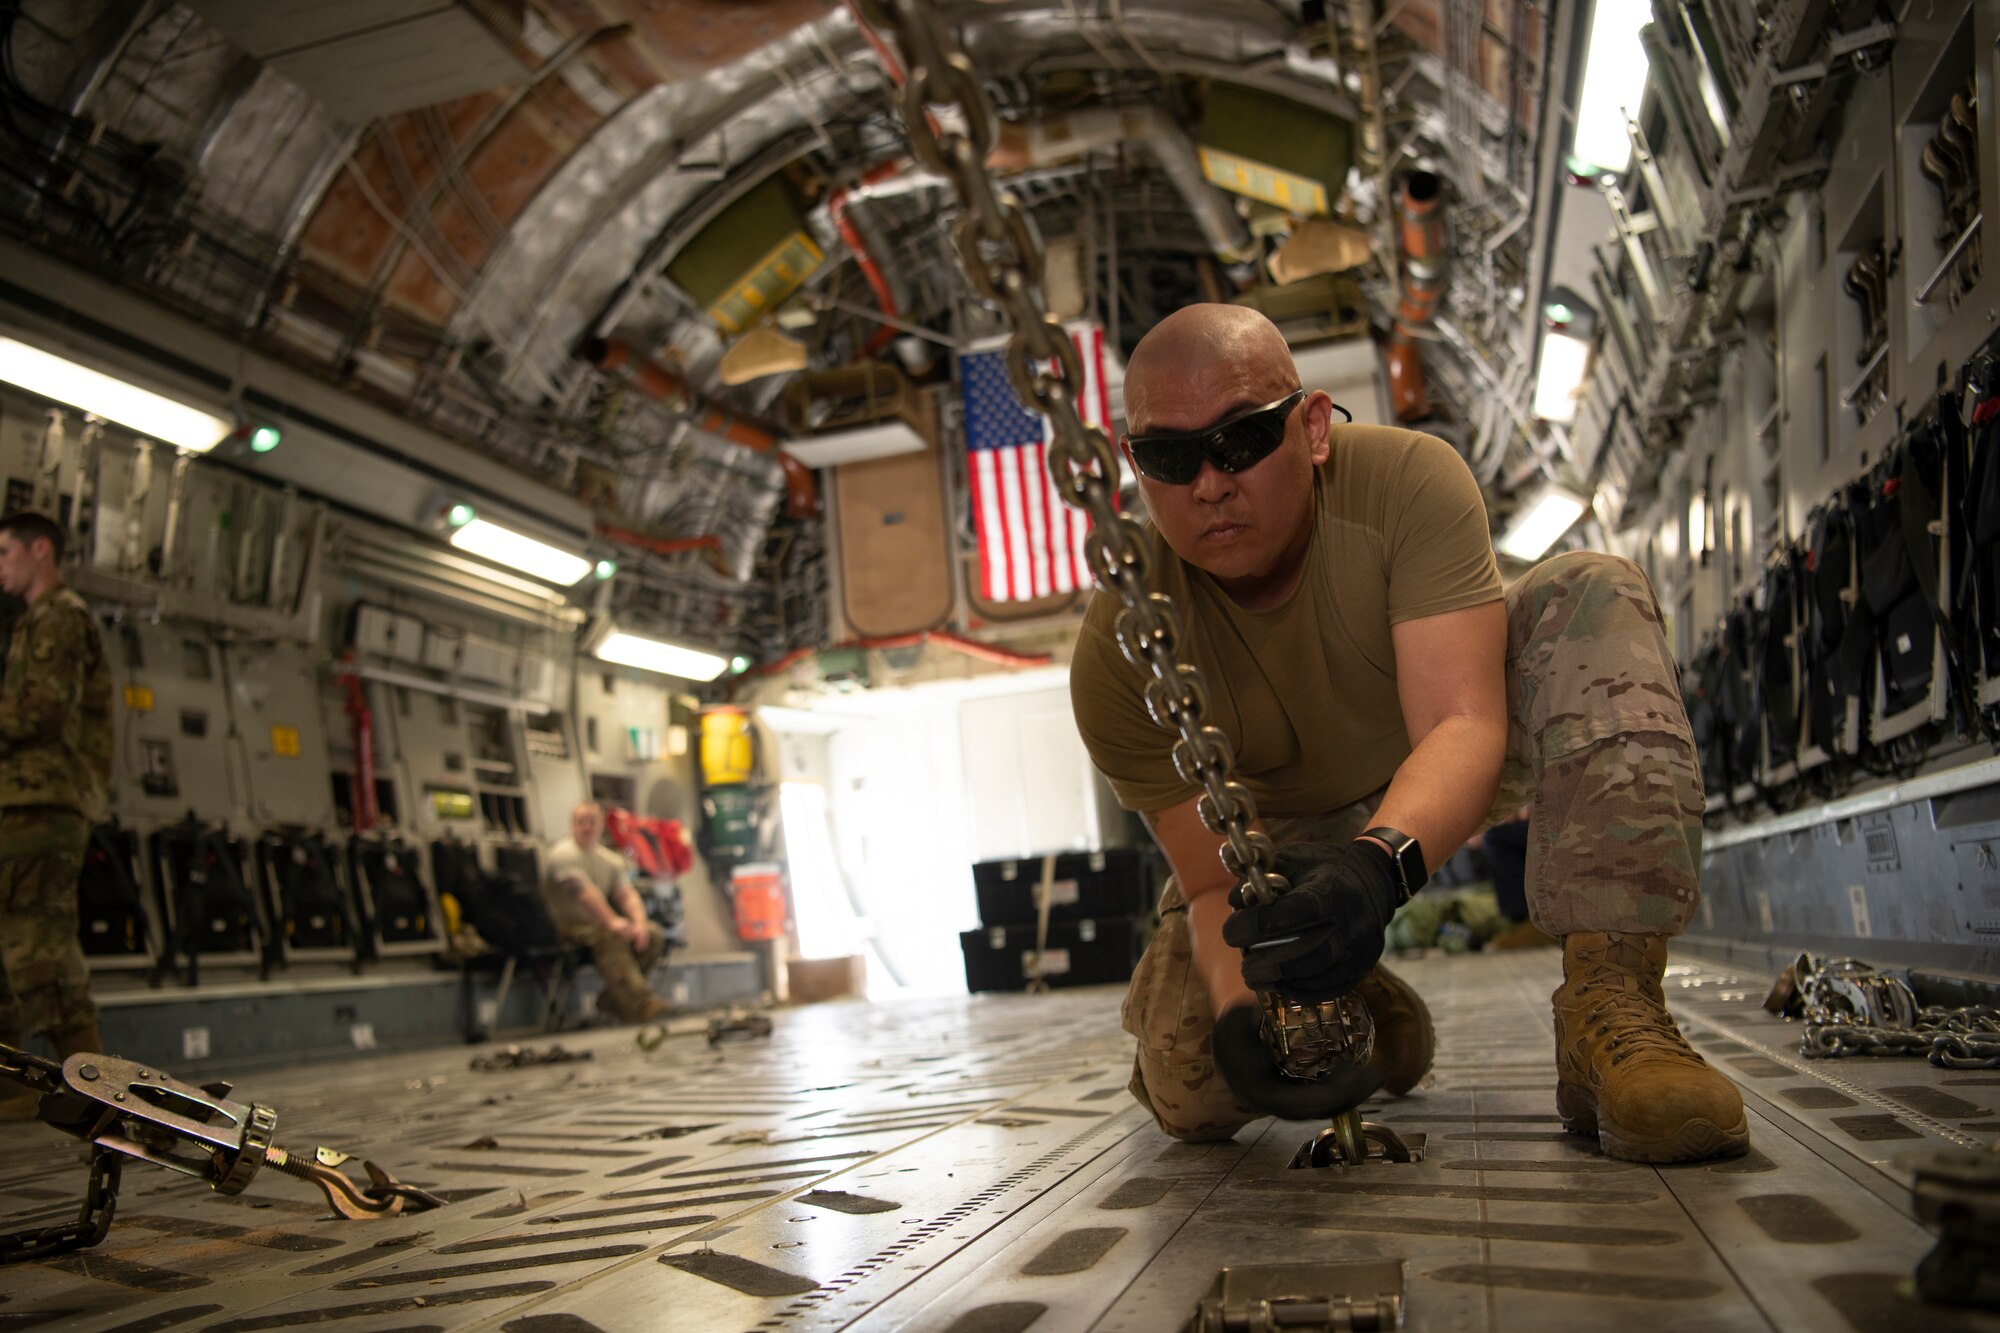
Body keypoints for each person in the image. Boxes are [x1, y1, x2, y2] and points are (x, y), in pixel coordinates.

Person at [1069, 305, 1745, 1164]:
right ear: (1134, 464)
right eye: (1170, 456)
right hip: (1282, 841)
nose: (1208, 484)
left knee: (1591, 592)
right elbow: (1209, 886)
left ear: (1312, 428)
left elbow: (1461, 721)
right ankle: (1366, 1006)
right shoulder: (1120, 652)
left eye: (1240, 440)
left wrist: (1375, 865)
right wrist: (1250, 1013)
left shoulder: (1406, 483)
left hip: (1467, 741)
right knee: (1192, 1089)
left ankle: (1613, 1009)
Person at [0, 511, 112, 1120]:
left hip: (44, 801)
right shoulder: (35, 622)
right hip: (23, 799)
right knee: (9, 940)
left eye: (5, 553)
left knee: (38, 938)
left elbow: (40, 712)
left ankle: (96, 1088)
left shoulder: (59, 619)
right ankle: (14, 1084)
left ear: (40, 550)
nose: (0, 567)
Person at [543, 802, 671, 1023]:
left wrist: (639, 925)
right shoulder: (562, 855)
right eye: (580, 822)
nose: (586, 827)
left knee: (653, 934)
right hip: (568, 928)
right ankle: (641, 1003)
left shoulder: (609, 860)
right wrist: (613, 921)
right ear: (572, 825)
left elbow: (627, 895)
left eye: (591, 821)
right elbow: (585, 893)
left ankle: (614, 999)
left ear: (601, 825)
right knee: (611, 934)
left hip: (599, 926)